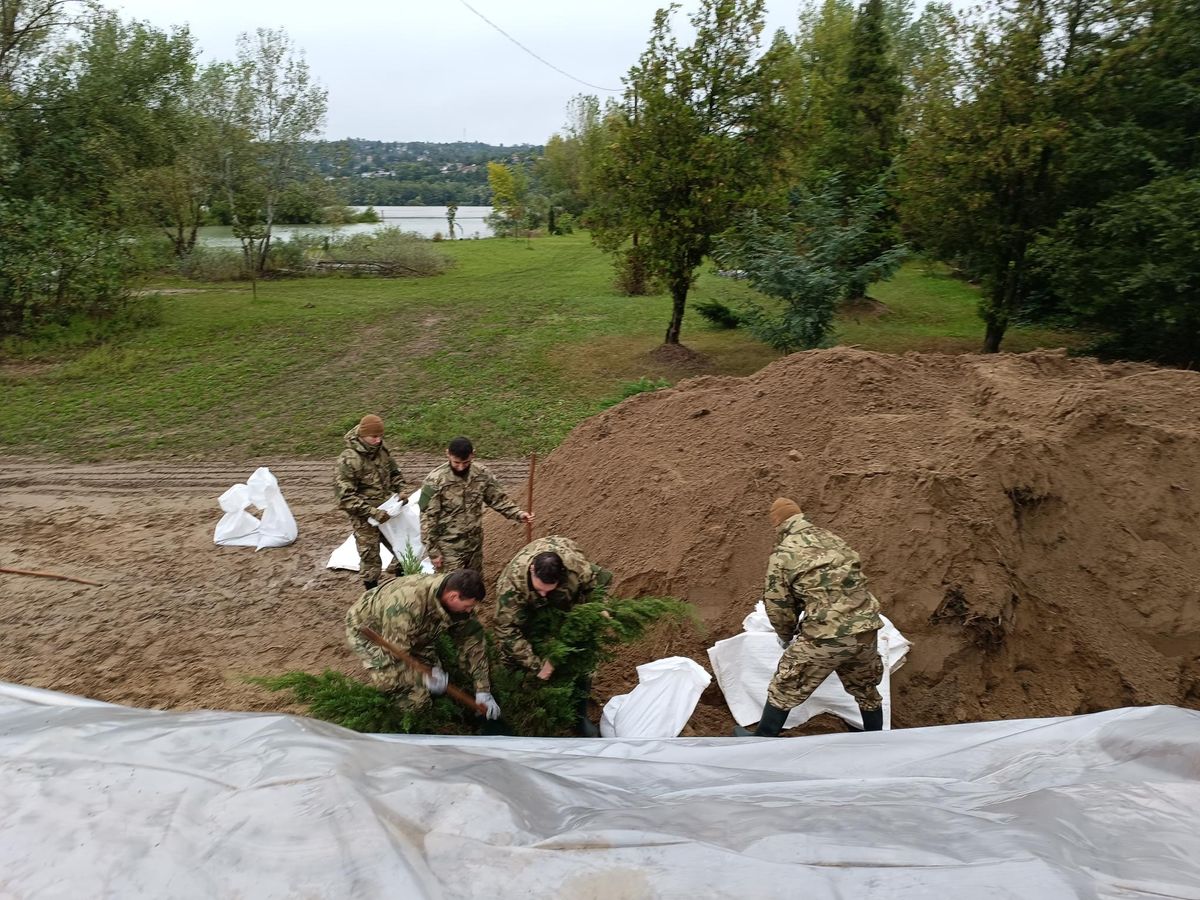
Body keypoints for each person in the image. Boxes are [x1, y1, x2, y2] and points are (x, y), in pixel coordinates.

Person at [737, 498, 886, 737]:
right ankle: (876, 740)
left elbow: (778, 603)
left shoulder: (784, 552)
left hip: (827, 633)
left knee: (785, 684)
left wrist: (786, 636)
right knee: (866, 687)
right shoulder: (834, 539)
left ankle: (761, 740)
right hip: (866, 627)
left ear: (778, 522)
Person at [344, 568, 501, 723]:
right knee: (414, 699)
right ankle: (397, 720)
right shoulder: (406, 605)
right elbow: (393, 656)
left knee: (437, 680)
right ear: (453, 597)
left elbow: (472, 643)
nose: (470, 611)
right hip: (371, 632)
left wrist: (483, 690)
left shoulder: (457, 595)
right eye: (468, 606)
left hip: (415, 631)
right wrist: (422, 678)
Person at [494, 535, 613, 736]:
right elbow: (506, 632)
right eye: (540, 589)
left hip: (564, 602)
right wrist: (537, 665)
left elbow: (599, 584)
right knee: (511, 660)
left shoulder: (576, 566)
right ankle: (512, 714)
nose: (543, 595)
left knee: (583, 654)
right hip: (526, 611)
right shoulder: (510, 587)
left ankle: (578, 717)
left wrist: (600, 607)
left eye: (548, 591)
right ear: (532, 569)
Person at [419, 436, 532, 573]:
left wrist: (518, 514)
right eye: (456, 463)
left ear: (473, 454)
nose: (461, 467)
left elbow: (498, 499)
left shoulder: (482, 474)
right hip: (449, 548)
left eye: (466, 463)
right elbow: (428, 518)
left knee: (474, 585)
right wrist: (433, 552)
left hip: (474, 547)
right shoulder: (435, 481)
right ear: (447, 454)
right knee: (453, 588)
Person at [334, 414, 411, 590]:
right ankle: (372, 596)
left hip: (389, 512)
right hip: (365, 519)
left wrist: (401, 490)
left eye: (380, 436)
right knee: (370, 559)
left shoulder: (382, 450)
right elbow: (344, 498)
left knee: (403, 550)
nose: (378, 440)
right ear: (362, 435)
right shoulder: (349, 459)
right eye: (373, 437)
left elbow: (394, 473)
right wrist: (372, 512)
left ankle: (402, 591)